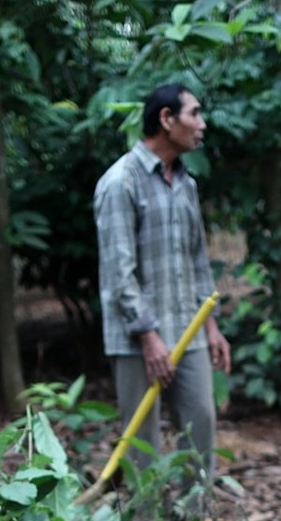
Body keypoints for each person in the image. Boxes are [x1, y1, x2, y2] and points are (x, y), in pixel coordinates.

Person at [93, 84, 233, 485]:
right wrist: (148, 335)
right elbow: (120, 270)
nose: (202, 125)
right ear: (167, 119)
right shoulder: (121, 181)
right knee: (141, 442)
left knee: (200, 424)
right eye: (195, 114)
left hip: (188, 330)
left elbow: (197, 261)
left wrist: (211, 325)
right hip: (138, 337)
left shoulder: (186, 185)